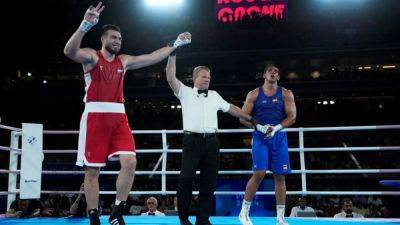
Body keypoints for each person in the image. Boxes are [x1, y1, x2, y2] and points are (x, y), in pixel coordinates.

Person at [63, 2, 191, 225]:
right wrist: (85, 25)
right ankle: (93, 216)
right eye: (113, 37)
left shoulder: (124, 61)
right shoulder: (92, 57)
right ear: (103, 39)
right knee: (92, 171)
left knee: (130, 162)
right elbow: (69, 51)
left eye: (120, 38)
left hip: (119, 117)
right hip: (95, 115)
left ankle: (117, 211)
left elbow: (151, 57)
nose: (117, 41)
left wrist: (176, 43)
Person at [165, 55, 268, 225]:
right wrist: (172, 54)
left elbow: (232, 109)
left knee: (209, 182)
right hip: (192, 141)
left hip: (212, 142)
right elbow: (170, 76)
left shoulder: (214, 95)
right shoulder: (184, 91)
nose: (208, 79)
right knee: (186, 179)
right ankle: (183, 218)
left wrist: (252, 120)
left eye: (209, 77)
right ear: (195, 78)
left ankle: (203, 220)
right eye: (204, 76)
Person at [238, 64, 296, 225]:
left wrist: (276, 128)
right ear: (264, 74)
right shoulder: (254, 94)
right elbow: (242, 117)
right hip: (260, 136)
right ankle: (243, 213)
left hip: (279, 136)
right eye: (270, 70)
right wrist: (260, 127)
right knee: (259, 173)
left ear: (278, 77)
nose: (273, 72)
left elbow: (292, 117)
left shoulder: (286, 93)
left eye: (276, 71)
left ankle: (280, 217)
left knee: (280, 176)